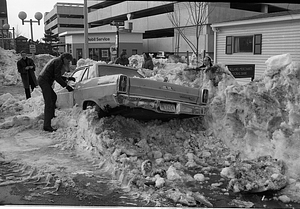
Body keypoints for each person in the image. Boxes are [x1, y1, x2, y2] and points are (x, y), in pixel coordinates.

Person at [38, 53, 75, 132]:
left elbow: (56, 75)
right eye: (68, 61)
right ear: (64, 58)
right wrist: (66, 86)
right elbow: (57, 77)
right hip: (44, 81)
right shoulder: (58, 62)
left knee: (53, 97)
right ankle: (46, 125)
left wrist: (67, 78)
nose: (68, 63)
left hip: (45, 80)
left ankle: (51, 116)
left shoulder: (57, 61)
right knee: (48, 102)